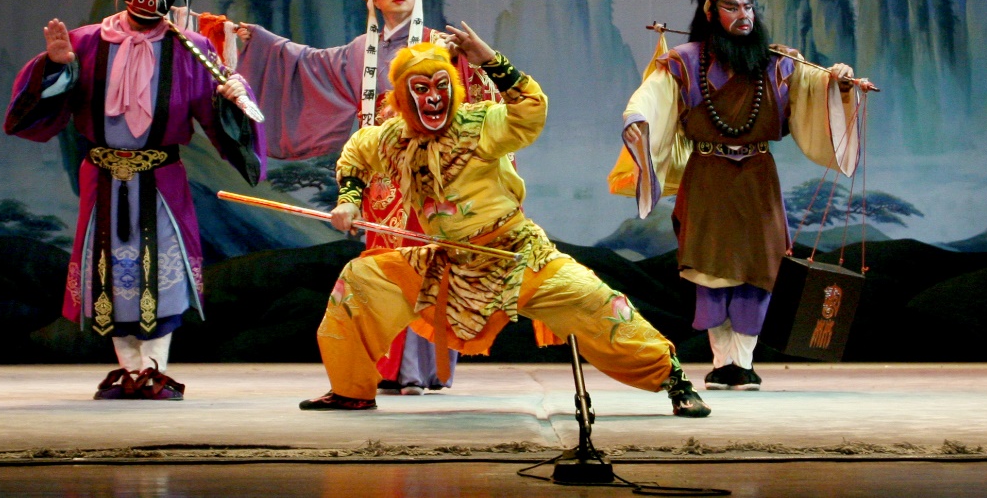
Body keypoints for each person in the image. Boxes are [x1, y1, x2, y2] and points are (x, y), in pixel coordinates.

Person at [298, 27, 711, 417]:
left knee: (595, 301)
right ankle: (351, 390)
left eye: (441, 86)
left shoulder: (480, 124)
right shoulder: (392, 138)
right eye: (420, 89)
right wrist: (349, 201)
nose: (434, 97)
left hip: (516, 254)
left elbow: (531, 109)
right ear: (403, 96)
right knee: (360, 279)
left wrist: (490, 60)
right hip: (447, 263)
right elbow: (355, 155)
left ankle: (673, 380)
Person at [226, 0, 498, 395]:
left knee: (427, 266)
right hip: (380, 177)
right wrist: (262, 44)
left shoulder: (442, 45)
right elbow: (309, 65)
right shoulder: (360, 51)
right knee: (382, 268)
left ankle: (422, 369)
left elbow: (479, 100)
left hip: (433, 176)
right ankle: (390, 367)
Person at [5, 0, 264, 400]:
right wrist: (57, 68)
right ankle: (130, 371)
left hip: (160, 181)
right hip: (103, 178)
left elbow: (220, 117)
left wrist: (231, 99)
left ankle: (154, 370)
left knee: (161, 275)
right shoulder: (86, 42)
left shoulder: (193, 49)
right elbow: (42, 111)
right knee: (110, 276)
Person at [621, 0, 871, 391]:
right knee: (709, 270)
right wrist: (637, 118)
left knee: (760, 268)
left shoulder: (778, 62)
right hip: (707, 176)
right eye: (732, 7)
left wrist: (839, 84)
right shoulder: (684, 61)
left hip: (758, 177)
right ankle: (723, 362)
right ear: (711, 14)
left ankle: (744, 361)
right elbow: (652, 96)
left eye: (748, 6)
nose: (744, 14)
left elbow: (816, 85)